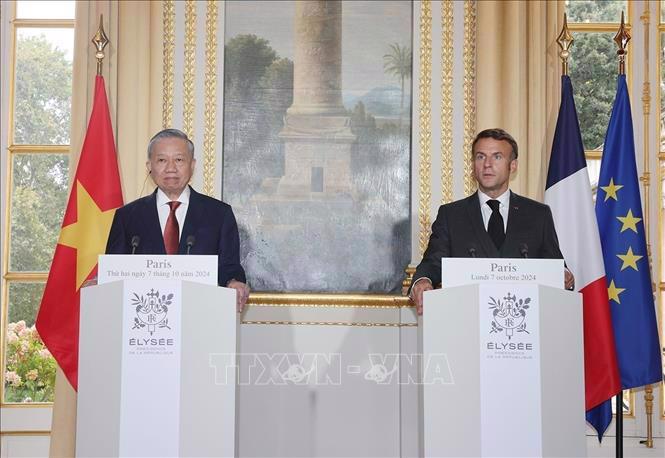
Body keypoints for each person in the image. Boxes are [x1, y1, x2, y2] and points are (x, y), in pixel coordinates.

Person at [410, 128, 574, 314]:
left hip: (523, 326)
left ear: (512, 166)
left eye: (497, 157)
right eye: (480, 157)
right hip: (465, 322)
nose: (487, 164)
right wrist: (422, 280)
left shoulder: (538, 214)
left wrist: (564, 276)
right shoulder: (451, 214)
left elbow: (556, 266)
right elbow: (433, 261)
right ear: (473, 165)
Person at [106, 128, 250, 311]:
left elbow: (230, 266)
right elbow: (115, 269)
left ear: (192, 165)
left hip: (201, 315)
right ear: (149, 166)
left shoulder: (219, 214)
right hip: (144, 320)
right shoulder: (127, 217)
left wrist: (234, 282)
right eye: (161, 160)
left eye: (179, 160)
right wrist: (103, 281)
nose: (171, 168)